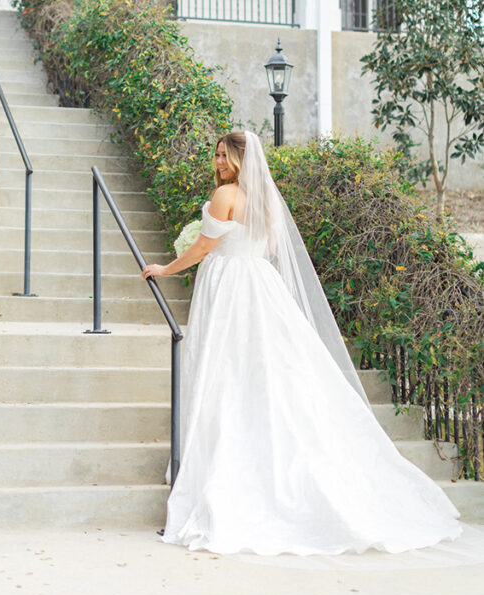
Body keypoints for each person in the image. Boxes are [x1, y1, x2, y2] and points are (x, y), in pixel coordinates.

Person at [141, 130, 462, 556]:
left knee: (227, 367)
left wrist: (165, 269)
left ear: (240, 161)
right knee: (261, 369)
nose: (217, 162)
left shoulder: (225, 195)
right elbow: (269, 247)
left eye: (224, 156)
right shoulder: (266, 201)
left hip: (231, 285)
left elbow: (202, 246)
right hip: (260, 283)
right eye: (216, 155)